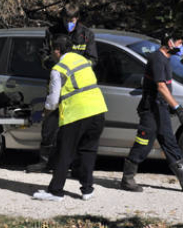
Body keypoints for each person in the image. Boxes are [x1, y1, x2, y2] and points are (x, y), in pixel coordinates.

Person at [33, 34, 107, 201]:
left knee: (64, 152)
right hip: (98, 110)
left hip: (77, 114)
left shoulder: (58, 69)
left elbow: (52, 101)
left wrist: (44, 113)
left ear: (57, 51)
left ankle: (55, 191)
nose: (51, 54)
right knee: (88, 151)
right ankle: (87, 189)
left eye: (52, 51)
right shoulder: (83, 61)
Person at [27, 3, 98, 173]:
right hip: (56, 82)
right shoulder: (52, 32)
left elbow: (93, 59)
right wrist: (57, 64)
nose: (69, 23)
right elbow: (43, 55)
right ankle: (45, 161)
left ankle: (74, 165)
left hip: (76, 88)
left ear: (77, 18)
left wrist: (73, 67)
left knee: (74, 127)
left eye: (72, 19)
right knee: (50, 124)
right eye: (66, 19)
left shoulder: (86, 34)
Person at [121, 33, 183, 192]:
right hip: (151, 110)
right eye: (180, 43)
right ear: (170, 43)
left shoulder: (165, 59)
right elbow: (161, 86)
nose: (181, 47)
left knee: (169, 142)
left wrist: (168, 105)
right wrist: (177, 108)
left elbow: (165, 87)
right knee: (143, 142)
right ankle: (128, 178)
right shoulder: (157, 59)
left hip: (160, 108)